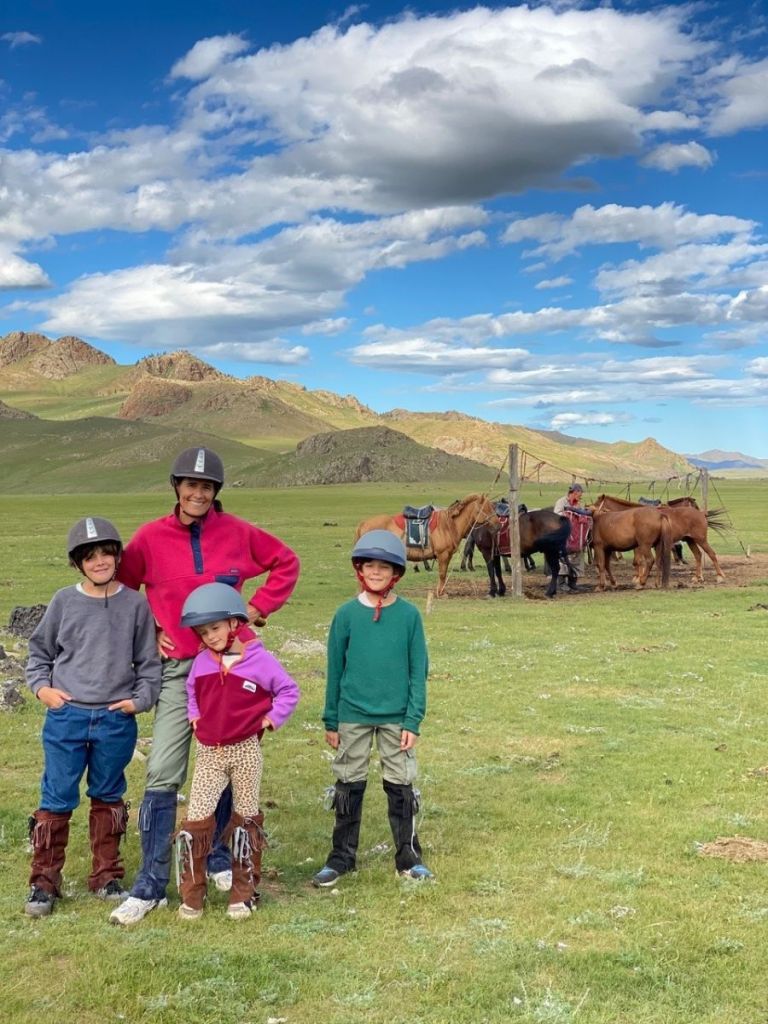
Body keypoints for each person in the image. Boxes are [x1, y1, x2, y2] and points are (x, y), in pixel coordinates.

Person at [110, 446, 300, 926]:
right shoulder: (151, 538)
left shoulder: (237, 533)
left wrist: (258, 608)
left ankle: (219, 858)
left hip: (236, 667)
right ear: (176, 487)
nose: (198, 493)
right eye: (190, 485)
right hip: (180, 669)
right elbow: (123, 585)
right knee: (164, 771)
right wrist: (150, 628)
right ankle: (150, 885)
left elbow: (287, 561)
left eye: (207, 486)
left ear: (217, 492)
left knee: (231, 761)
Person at [24, 517, 161, 917]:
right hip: (67, 715)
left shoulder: (135, 603)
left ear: (117, 555)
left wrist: (140, 700)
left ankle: (106, 875)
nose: (100, 561)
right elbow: (39, 653)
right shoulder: (64, 601)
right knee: (57, 794)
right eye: (90, 556)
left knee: (108, 794)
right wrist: (42, 689)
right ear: (77, 563)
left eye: (106, 552)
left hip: (114, 717)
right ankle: (44, 882)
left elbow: (148, 662)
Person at [312, 530, 433, 888]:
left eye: (384, 566)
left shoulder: (409, 616)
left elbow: (418, 670)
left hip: (397, 716)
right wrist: (331, 718)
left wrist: (413, 718)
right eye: (370, 565)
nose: (376, 572)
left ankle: (408, 856)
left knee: (401, 785)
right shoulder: (346, 615)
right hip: (353, 714)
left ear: (395, 573)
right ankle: (341, 857)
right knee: (348, 784)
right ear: (359, 570)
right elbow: (335, 669)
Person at [174, 583, 299, 921]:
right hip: (210, 753)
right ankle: (192, 894)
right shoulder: (201, 662)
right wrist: (194, 714)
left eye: (214, 628)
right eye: (203, 632)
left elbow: (288, 690)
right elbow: (191, 691)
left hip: (245, 750)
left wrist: (272, 720)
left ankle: (243, 892)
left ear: (233, 623)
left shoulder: (261, 660)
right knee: (196, 819)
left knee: (245, 818)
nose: (210, 636)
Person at [554, 483, 591, 585]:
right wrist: (569, 514)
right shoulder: (561, 502)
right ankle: (561, 583)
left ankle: (572, 583)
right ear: (574, 492)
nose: (580, 496)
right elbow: (557, 516)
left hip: (577, 537)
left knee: (577, 559)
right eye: (579, 493)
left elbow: (583, 515)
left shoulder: (579, 504)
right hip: (564, 536)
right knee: (562, 558)